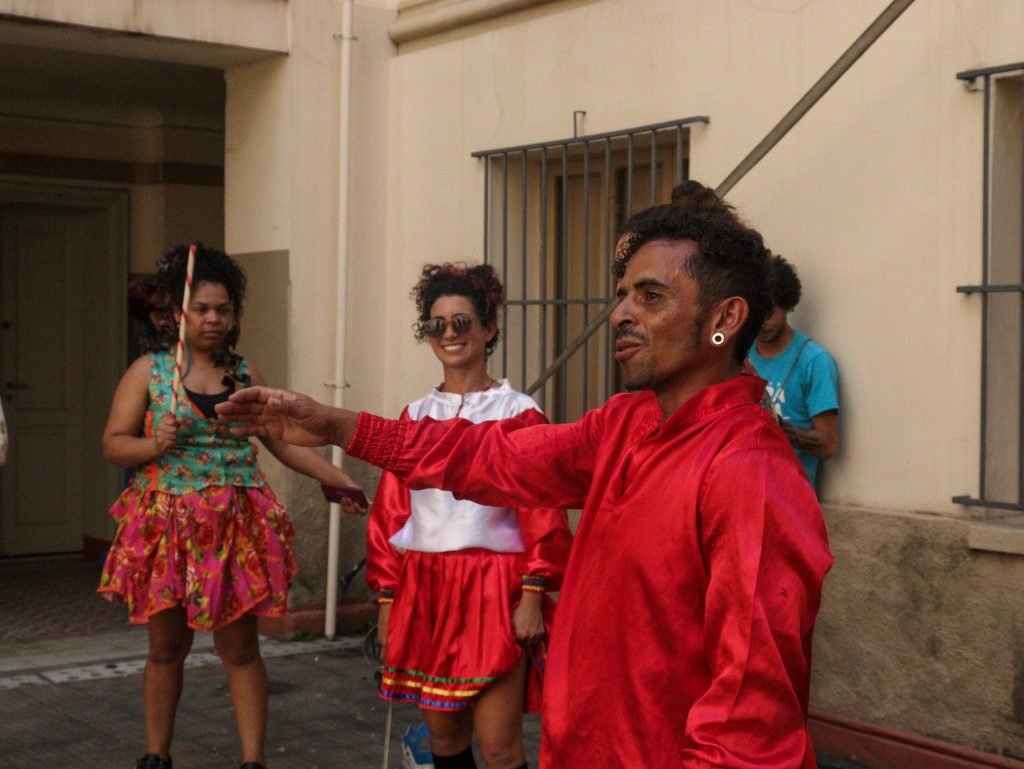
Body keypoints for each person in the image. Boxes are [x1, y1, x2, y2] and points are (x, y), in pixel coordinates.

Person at [217, 205, 835, 769]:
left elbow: (749, 723)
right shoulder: (627, 424)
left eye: (651, 296)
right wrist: (338, 426)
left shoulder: (747, 471)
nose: (622, 314)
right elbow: (492, 457)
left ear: (725, 320)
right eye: (622, 296)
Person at [98, 244, 361, 769]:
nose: (213, 319)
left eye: (222, 309)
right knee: (166, 650)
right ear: (178, 314)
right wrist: (155, 444)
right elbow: (112, 443)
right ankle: (156, 755)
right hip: (166, 525)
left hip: (233, 530)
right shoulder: (149, 372)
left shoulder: (244, 373)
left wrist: (335, 477)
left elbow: (281, 441)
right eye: (202, 309)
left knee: (240, 650)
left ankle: (253, 761)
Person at [367, 263, 571, 769]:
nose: (450, 334)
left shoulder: (519, 412)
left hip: (494, 587)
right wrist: (387, 601)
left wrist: (533, 593)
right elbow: (390, 515)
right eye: (437, 325)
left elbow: (542, 511)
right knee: (445, 740)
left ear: (489, 327)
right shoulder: (414, 417)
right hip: (425, 588)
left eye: (462, 322)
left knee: (500, 746)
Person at [747, 253, 839, 489]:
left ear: (787, 305)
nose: (763, 323)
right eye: (758, 314)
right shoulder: (740, 355)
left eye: (771, 313)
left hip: (791, 497)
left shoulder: (814, 361)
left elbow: (828, 444)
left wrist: (773, 426)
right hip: (746, 490)